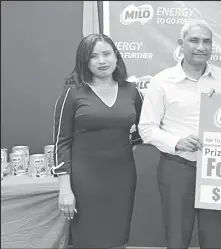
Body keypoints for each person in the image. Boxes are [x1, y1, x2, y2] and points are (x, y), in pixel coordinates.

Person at [138, 19, 221, 249]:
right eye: (194, 40)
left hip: (217, 170)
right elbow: (146, 128)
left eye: (207, 41)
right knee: (177, 238)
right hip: (177, 168)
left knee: (215, 240)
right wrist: (177, 142)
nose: (201, 47)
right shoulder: (162, 81)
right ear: (181, 44)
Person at [52, 33, 143, 248]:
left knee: (118, 236)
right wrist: (65, 189)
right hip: (85, 180)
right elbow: (61, 142)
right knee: (88, 239)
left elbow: (145, 129)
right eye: (93, 56)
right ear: (84, 61)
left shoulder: (132, 92)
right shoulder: (72, 93)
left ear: (116, 56)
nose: (102, 61)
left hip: (122, 176)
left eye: (106, 54)